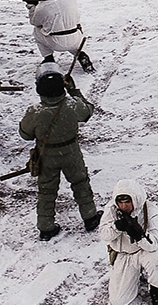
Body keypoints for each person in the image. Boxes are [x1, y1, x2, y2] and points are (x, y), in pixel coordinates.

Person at [18, 62, 102, 241]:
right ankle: (90, 217)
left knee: (47, 191)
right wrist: (74, 91)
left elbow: (25, 134)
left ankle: (46, 227)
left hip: (46, 155)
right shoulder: (72, 106)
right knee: (80, 183)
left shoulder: (35, 111)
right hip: (71, 152)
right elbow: (88, 111)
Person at [99, 178, 158, 305]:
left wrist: (139, 235)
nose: (124, 206)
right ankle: (134, 276)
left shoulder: (151, 211)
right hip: (124, 254)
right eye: (120, 202)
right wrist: (116, 227)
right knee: (118, 301)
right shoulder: (112, 209)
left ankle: (156, 288)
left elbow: (154, 244)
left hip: (144, 250)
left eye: (127, 202)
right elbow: (103, 234)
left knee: (156, 260)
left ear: (135, 199)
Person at [28, 0, 94, 72]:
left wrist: (32, 8)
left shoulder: (41, 7)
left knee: (37, 31)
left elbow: (34, 22)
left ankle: (48, 58)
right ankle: (81, 55)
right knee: (70, 35)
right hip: (75, 38)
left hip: (55, 43)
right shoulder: (70, 0)